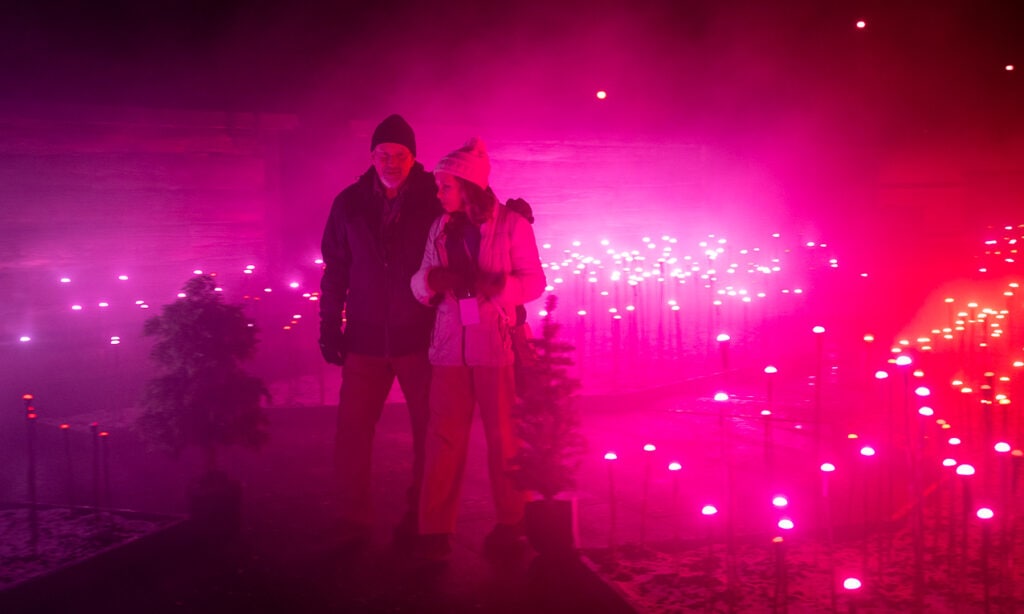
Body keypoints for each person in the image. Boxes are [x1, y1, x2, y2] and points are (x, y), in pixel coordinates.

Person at [410, 137, 546, 559]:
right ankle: (434, 530)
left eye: (445, 186)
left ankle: (511, 522)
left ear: (468, 185)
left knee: (503, 437)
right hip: (450, 347)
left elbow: (534, 282)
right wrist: (431, 283)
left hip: (494, 347)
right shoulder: (440, 226)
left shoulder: (510, 226)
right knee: (443, 437)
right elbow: (419, 279)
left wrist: (501, 288)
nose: (438, 193)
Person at [318, 114, 442, 548]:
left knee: (430, 431)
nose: (390, 162)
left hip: (419, 338)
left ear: (414, 158)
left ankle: (423, 519)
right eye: (382, 154)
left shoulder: (434, 198)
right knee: (352, 431)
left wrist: (512, 219)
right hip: (366, 339)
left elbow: (475, 216)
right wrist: (330, 326)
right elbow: (336, 269)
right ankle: (352, 519)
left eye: (399, 155)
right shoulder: (349, 203)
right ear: (371, 157)